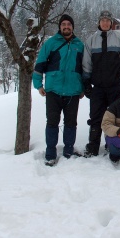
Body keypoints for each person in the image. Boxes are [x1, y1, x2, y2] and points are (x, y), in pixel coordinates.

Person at [82, 10, 120, 157]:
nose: (105, 23)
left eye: (108, 20)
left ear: (111, 23)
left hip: (116, 86)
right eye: (102, 20)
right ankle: (93, 147)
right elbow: (86, 64)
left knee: (116, 117)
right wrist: (86, 83)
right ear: (99, 22)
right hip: (98, 87)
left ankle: (112, 144)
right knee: (96, 117)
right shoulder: (91, 41)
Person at [33, 14, 84, 166]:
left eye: (69, 24)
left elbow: (85, 69)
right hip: (53, 90)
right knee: (52, 123)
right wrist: (38, 85)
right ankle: (50, 154)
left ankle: (68, 151)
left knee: (71, 123)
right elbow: (39, 65)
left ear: (73, 27)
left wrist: (82, 88)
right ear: (60, 27)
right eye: (64, 24)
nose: (66, 26)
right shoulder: (51, 43)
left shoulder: (80, 45)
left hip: (73, 91)